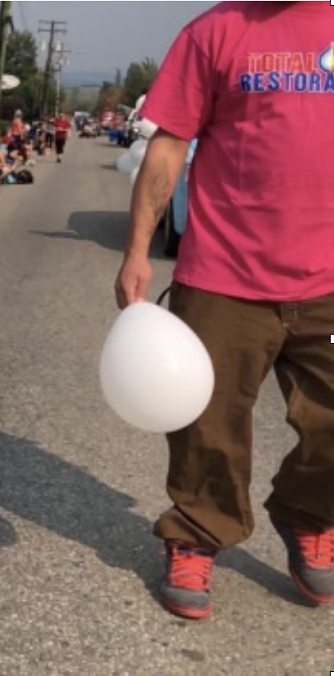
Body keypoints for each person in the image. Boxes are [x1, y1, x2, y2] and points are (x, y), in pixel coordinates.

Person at [114, 1, 334, 622]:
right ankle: (198, 531)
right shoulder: (215, 32)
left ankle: (311, 515)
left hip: (329, 285)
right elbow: (168, 148)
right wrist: (138, 248)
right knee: (206, 423)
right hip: (223, 277)